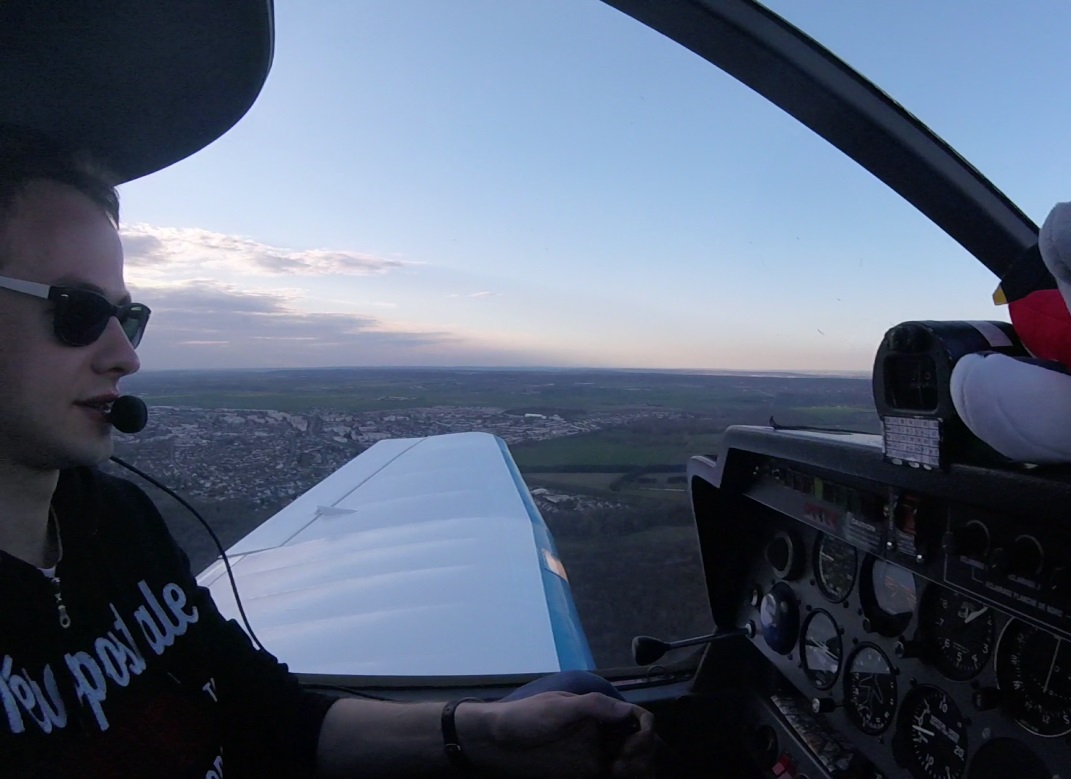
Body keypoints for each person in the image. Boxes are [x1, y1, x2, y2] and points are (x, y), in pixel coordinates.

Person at [0, 131, 659, 777]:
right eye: (79, 311)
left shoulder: (119, 522)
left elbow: (273, 716)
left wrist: (482, 732)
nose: (127, 355)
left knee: (572, 686)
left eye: (129, 317)